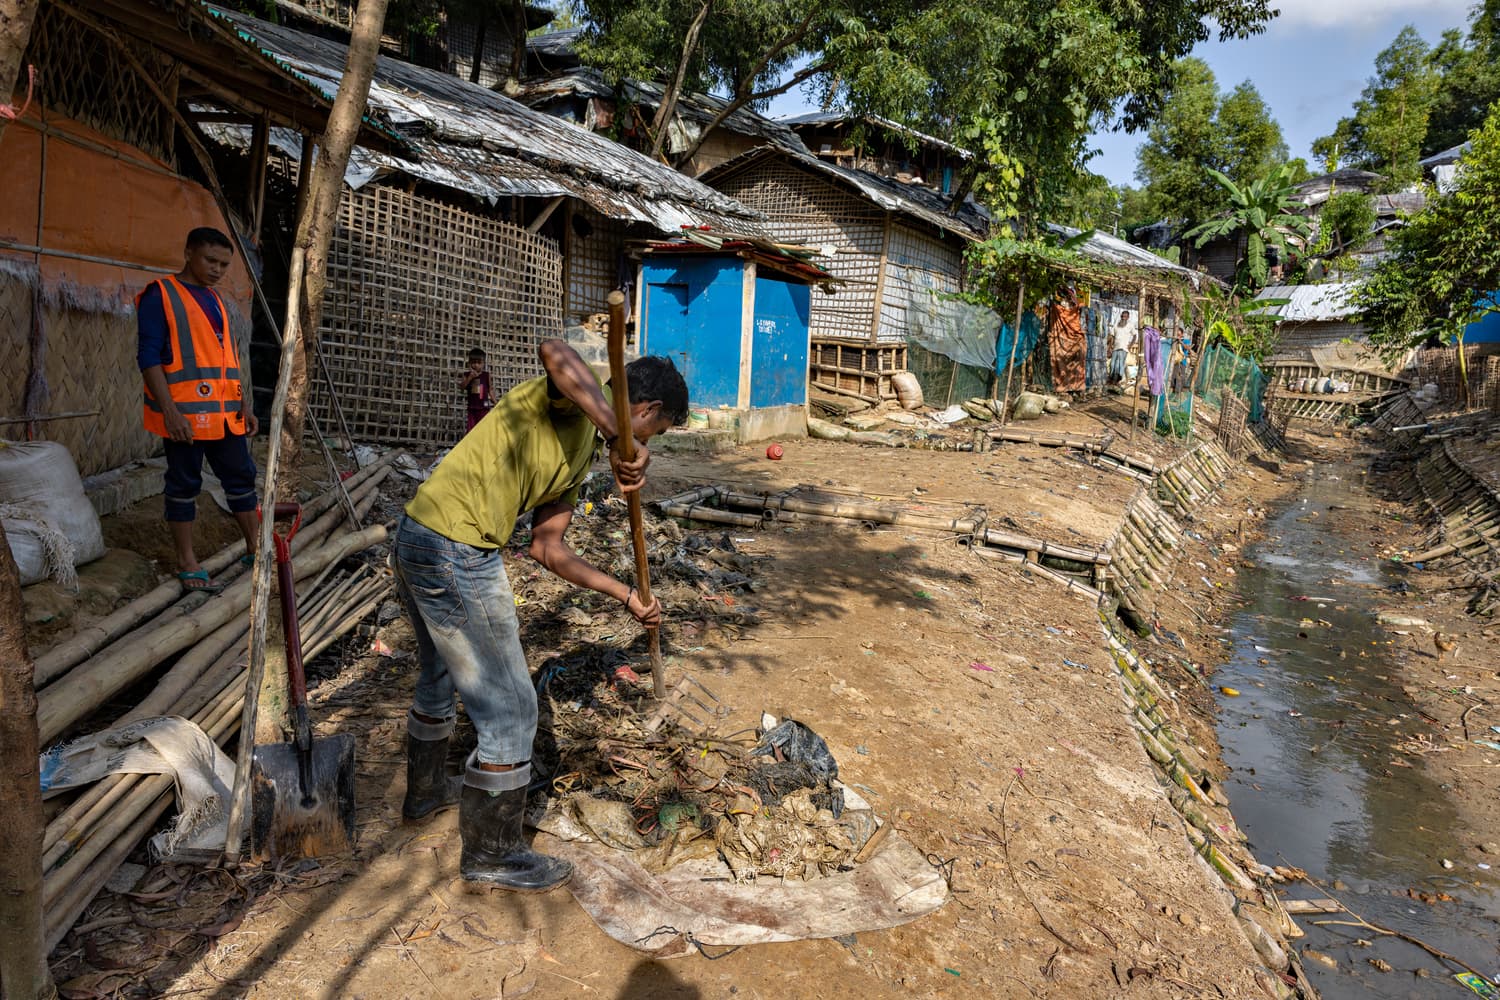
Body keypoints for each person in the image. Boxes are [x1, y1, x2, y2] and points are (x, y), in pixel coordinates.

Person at [393, 338, 688, 892]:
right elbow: (554, 349)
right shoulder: (571, 401)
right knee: (511, 708)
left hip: (424, 536)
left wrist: (627, 595)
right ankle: (493, 853)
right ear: (643, 412)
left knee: (438, 676)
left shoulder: (580, 455)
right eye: (656, 432)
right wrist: (613, 430)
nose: (648, 445)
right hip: (452, 548)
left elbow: (548, 547)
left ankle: (427, 791)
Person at [136, 227, 259, 593]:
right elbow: (148, 357)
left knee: (241, 478)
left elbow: (227, 359)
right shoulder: (161, 296)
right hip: (185, 417)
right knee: (183, 484)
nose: (217, 269)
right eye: (210, 260)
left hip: (225, 415)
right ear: (188, 252)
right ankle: (188, 561)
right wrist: (169, 411)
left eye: (224, 264)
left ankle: (255, 547)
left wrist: (244, 403)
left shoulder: (217, 300)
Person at [460, 346, 496, 433]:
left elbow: (490, 390)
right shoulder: (467, 375)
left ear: (483, 363)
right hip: (472, 407)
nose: (476, 365)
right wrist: (470, 378)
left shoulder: (486, 375)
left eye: (479, 363)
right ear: (469, 363)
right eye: (473, 362)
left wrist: (495, 402)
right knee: (471, 430)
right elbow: (462, 388)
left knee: (484, 429)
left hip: (484, 407)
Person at [1109, 309, 1136, 386]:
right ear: (1121, 317)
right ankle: (1111, 379)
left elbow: (1134, 335)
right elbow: (1112, 336)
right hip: (1115, 347)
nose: (1123, 318)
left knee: (1119, 365)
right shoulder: (1116, 325)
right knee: (1112, 364)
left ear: (1128, 317)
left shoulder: (1130, 325)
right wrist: (1110, 346)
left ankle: (1117, 380)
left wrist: (1131, 345)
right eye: (1122, 316)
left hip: (1124, 348)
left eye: (1125, 316)